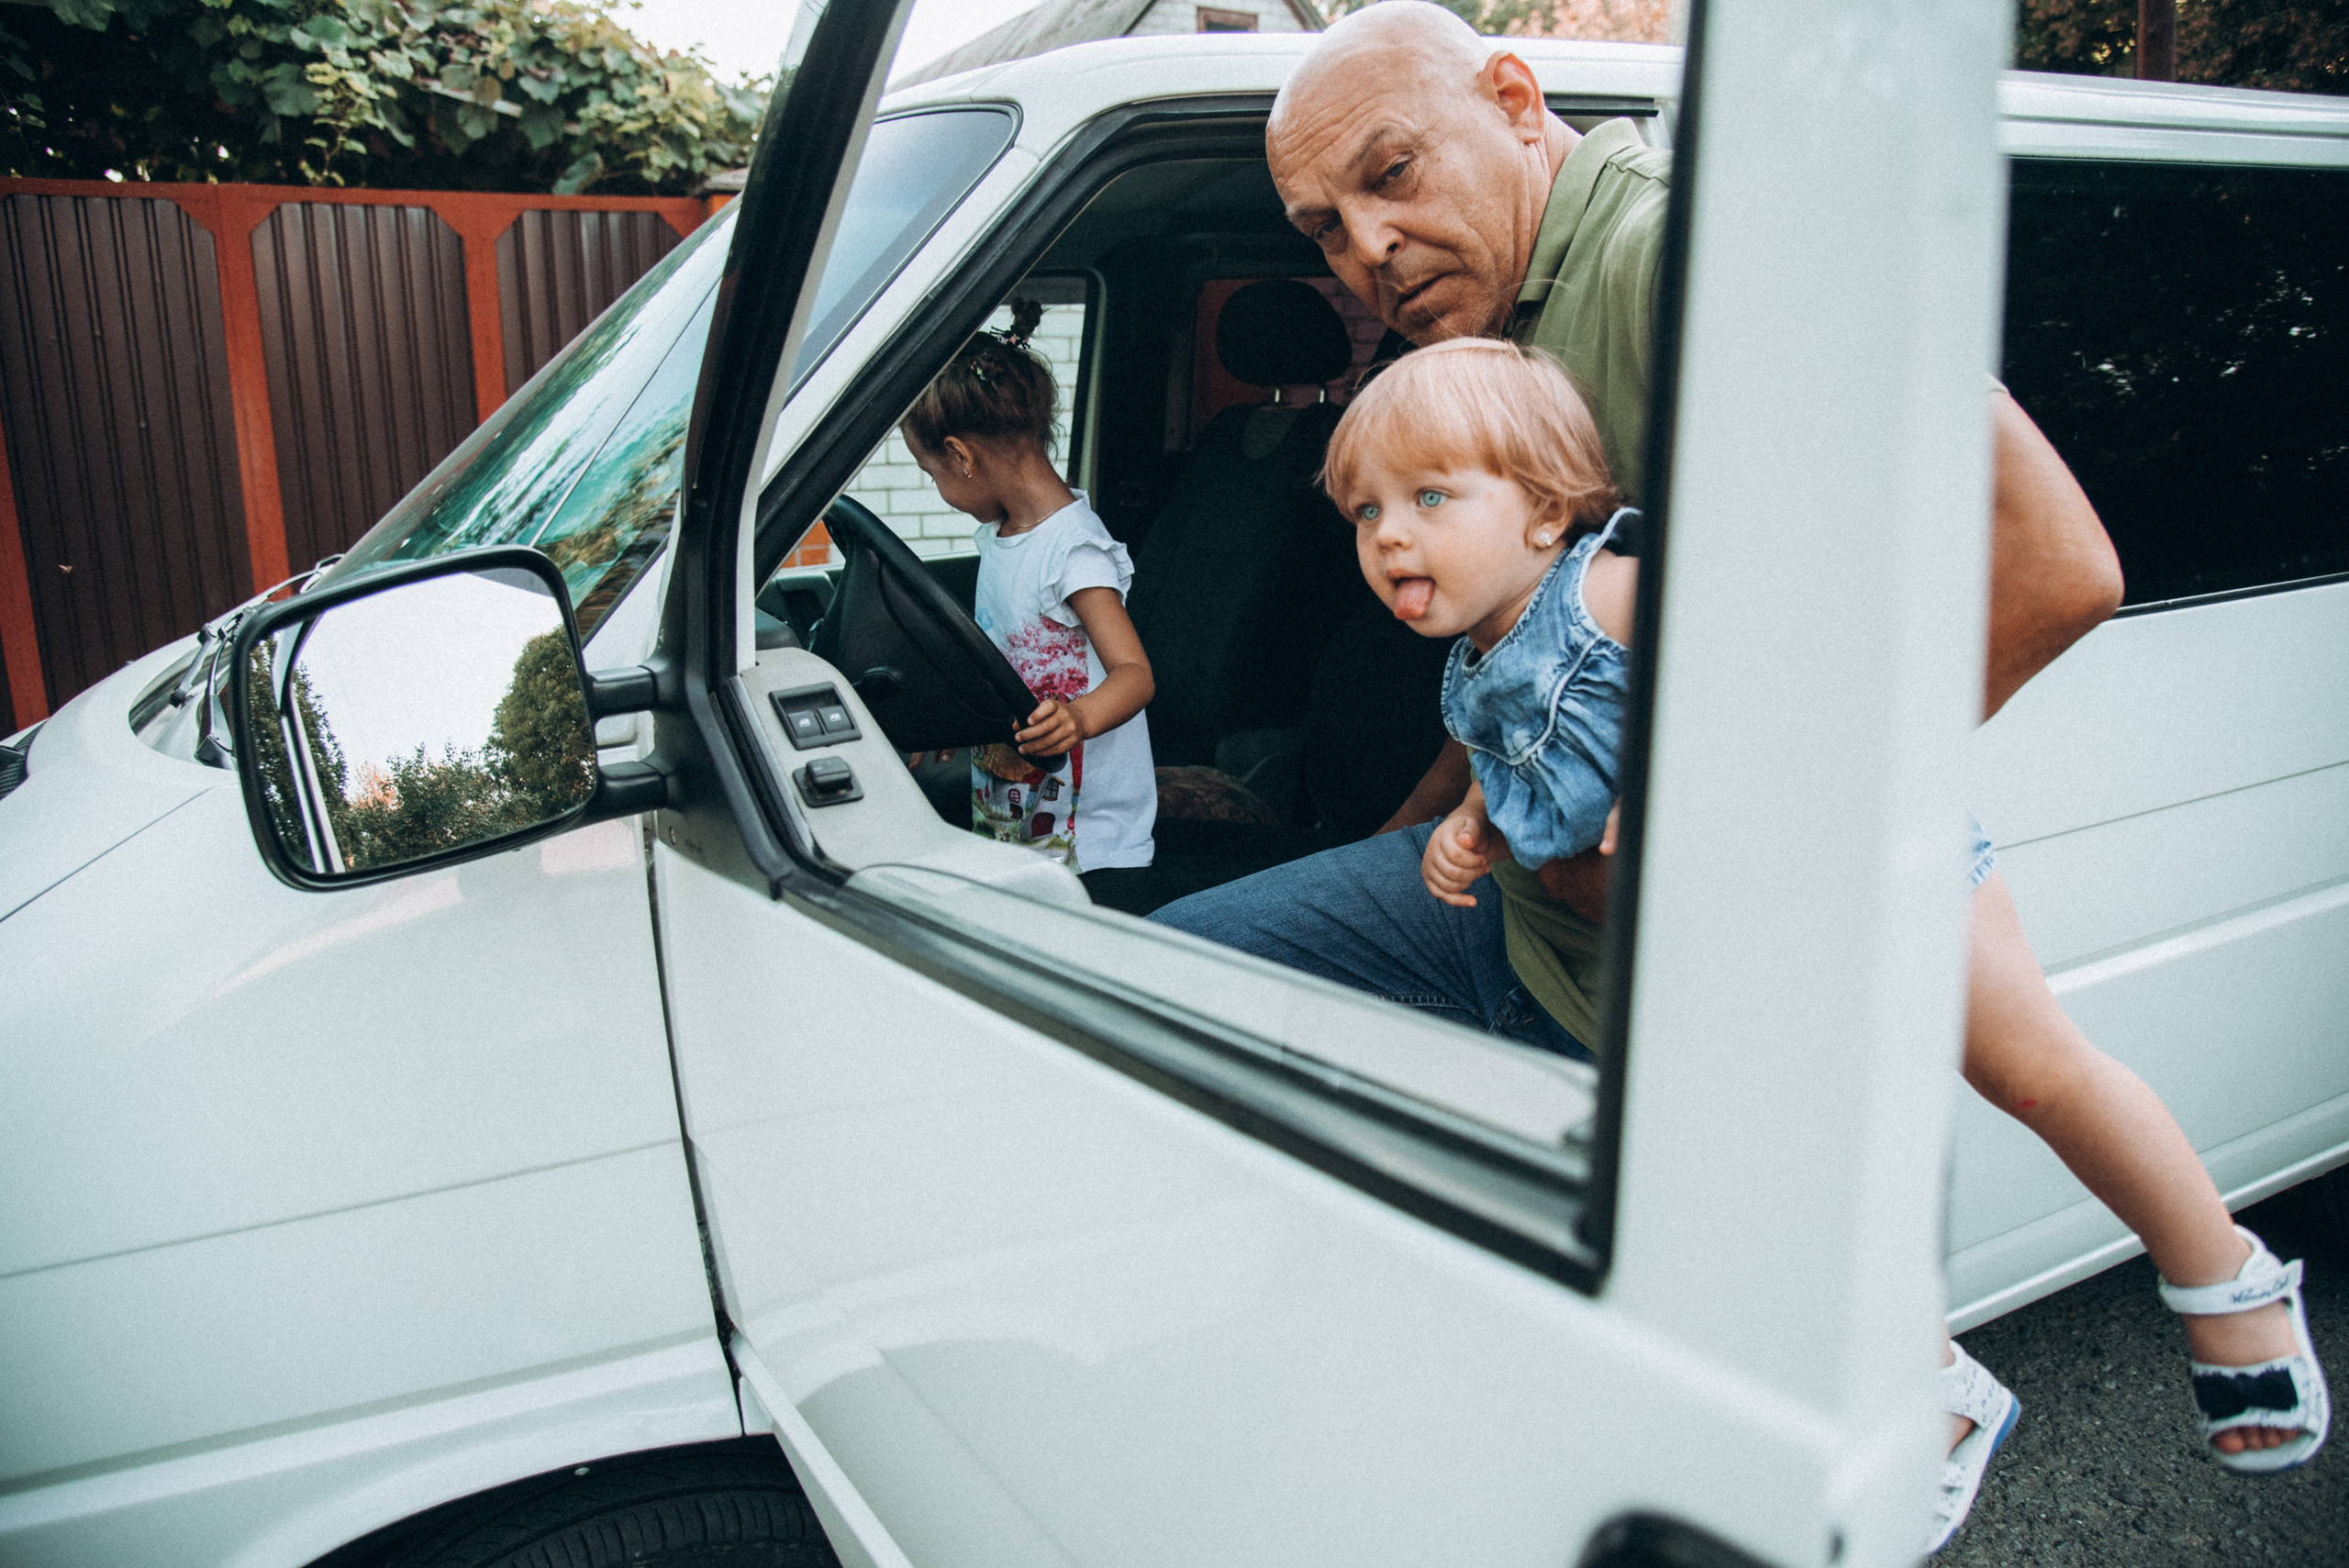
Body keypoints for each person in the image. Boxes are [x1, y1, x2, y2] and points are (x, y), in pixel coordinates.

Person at [1330, 336, 2330, 1551]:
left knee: (2034, 1066)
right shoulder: (1478, 661)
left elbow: (1782, 649)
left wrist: (1682, 761)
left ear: (1547, 511)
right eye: (1367, 511)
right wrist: (1474, 828)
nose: (1390, 536)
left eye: (1431, 498)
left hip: (1867, 870)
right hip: (1749, 939)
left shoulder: (1610, 589)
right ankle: (1937, 1392)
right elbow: (1529, 754)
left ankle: (2226, 1280)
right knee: (1769, 1176)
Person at [900, 302, 1158, 887]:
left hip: (1092, 839)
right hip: (1020, 807)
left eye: (931, 473)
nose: (939, 488)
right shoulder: (1002, 536)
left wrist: (1079, 719)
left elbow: (1134, 673)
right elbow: (1002, 658)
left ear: (961, 456)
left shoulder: (1073, 551)